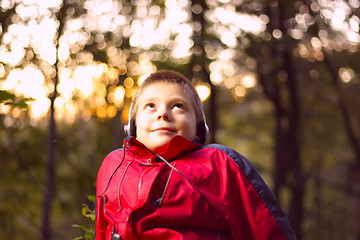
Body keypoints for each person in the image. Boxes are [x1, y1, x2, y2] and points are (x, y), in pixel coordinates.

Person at [95, 70, 296, 240]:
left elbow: (267, 231)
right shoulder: (114, 164)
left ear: (199, 128)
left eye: (178, 106)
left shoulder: (220, 163)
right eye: (151, 106)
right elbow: (101, 231)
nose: (163, 113)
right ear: (132, 125)